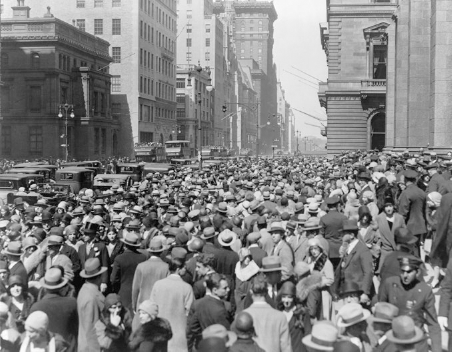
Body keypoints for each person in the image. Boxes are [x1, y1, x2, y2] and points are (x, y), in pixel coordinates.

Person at [378, 254, 441, 352]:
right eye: (402, 271)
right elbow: (381, 313)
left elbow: (433, 324)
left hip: (415, 341)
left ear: (417, 272)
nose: (405, 276)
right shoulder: (390, 283)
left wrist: (437, 349)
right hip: (394, 338)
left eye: (409, 272)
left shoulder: (424, 290)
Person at [150, 248, 194, 352]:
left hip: (160, 330)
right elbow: (189, 311)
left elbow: (152, 307)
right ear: (179, 269)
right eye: (184, 268)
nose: (185, 270)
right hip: (179, 332)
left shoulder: (158, 284)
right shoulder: (186, 287)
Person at [30, 267, 78, 352]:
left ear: (45, 287)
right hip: (69, 348)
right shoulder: (72, 303)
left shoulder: (36, 307)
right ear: (62, 286)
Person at [244, 274, 292, 352]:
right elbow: (286, 347)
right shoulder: (280, 317)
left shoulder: (244, 316)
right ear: (266, 292)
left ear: (251, 292)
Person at [333, 219, 373, 306]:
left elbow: (368, 272)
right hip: (345, 291)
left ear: (351, 235)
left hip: (357, 293)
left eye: (344, 234)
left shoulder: (363, 250)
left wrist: (365, 293)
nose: (341, 236)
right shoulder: (346, 248)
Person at [131, 237, 169, 330]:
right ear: (161, 251)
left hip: (142, 304)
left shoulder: (141, 266)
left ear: (150, 251)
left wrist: (134, 304)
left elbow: (135, 288)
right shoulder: (166, 267)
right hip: (158, 305)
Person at [187, 273, 232, 350]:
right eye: (225, 288)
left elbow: (192, 329)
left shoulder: (199, 304)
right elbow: (228, 333)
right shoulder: (221, 309)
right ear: (215, 290)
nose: (228, 290)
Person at [110, 231, 147, 312]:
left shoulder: (119, 258)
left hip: (123, 292)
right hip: (139, 292)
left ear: (125, 245)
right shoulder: (143, 257)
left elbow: (113, 279)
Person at [77, 258, 107, 352]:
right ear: (99, 276)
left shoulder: (84, 290)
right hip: (91, 347)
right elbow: (91, 328)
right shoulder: (91, 297)